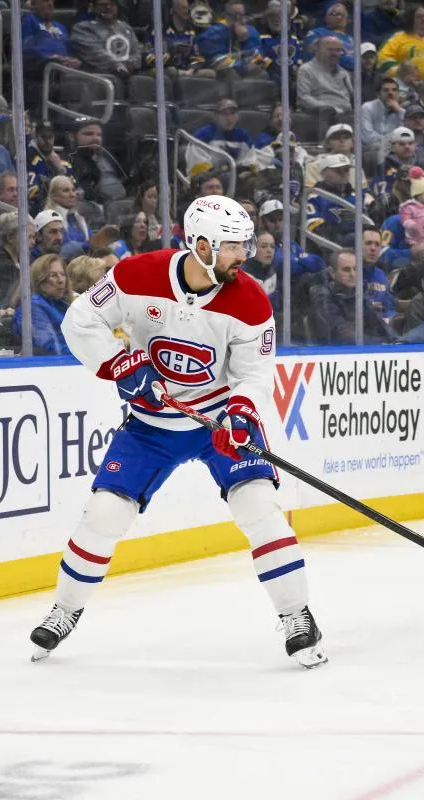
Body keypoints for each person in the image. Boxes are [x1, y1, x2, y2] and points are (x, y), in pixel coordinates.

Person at [28, 195, 326, 669]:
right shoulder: (135, 275)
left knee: (258, 505)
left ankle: (297, 615)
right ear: (201, 243)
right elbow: (81, 320)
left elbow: (254, 375)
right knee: (104, 513)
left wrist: (242, 416)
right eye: (232, 246)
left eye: (244, 245)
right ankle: (64, 610)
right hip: (151, 424)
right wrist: (120, 364)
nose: (242, 256)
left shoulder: (250, 300)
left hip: (218, 422)